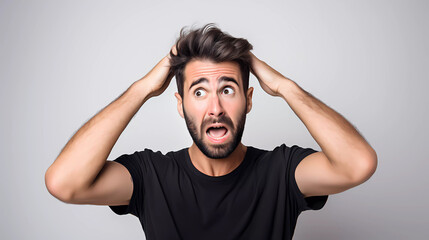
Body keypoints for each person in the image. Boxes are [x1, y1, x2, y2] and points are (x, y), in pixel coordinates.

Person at [45, 24, 377, 240]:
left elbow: (358, 164)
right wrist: (142, 89)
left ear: (248, 100)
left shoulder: (282, 172)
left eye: (228, 90)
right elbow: (64, 183)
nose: (215, 108)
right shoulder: (150, 176)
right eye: (199, 92)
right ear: (180, 104)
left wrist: (283, 86)